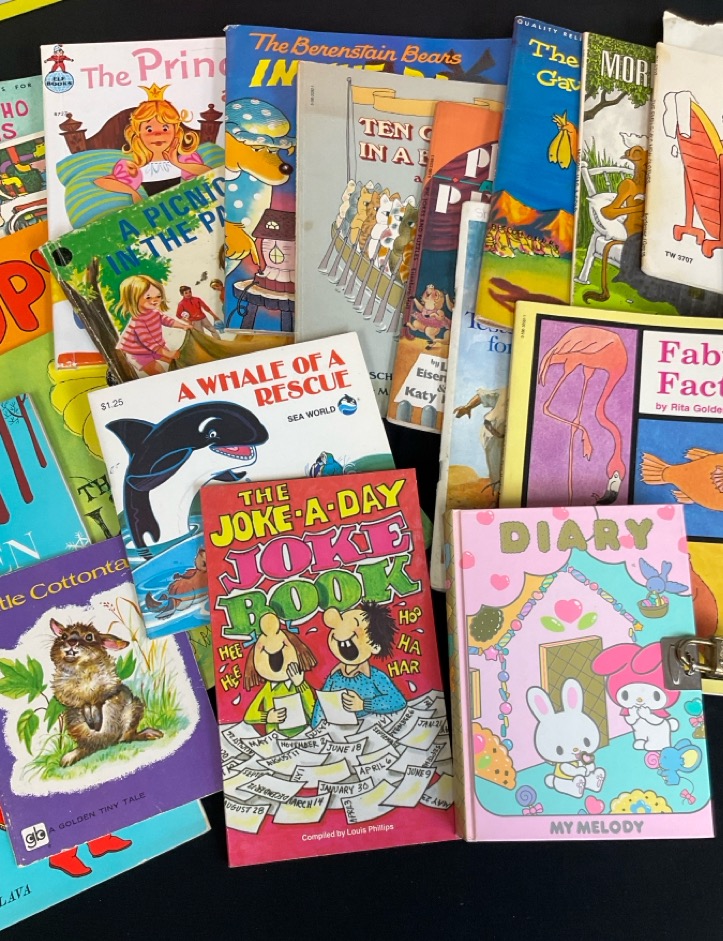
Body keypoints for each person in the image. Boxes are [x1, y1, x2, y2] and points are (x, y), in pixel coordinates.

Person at [95, 83, 210, 201]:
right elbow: (101, 181)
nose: (158, 134)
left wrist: (177, 163)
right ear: (139, 134)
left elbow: (209, 172)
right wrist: (133, 192)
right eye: (149, 129)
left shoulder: (184, 161)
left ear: (175, 132)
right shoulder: (135, 168)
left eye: (165, 128)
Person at [311, 601, 405, 726]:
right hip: (339, 731)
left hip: (370, 728)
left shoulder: (375, 676)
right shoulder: (334, 677)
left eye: (353, 624)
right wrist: (316, 728)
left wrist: (363, 704)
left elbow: (397, 701)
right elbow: (321, 707)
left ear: (374, 646)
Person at [115, 274, 192, 376]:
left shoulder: (154, 312)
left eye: (158, 296)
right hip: (139, 353)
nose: (155, 300)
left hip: (156, 347)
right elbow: (148, 342)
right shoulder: (137, 322)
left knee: (177, 361)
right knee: (159, 372)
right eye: (148, 297)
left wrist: (182, 326)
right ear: (134, 299)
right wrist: (168, 353)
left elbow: (166, 320)